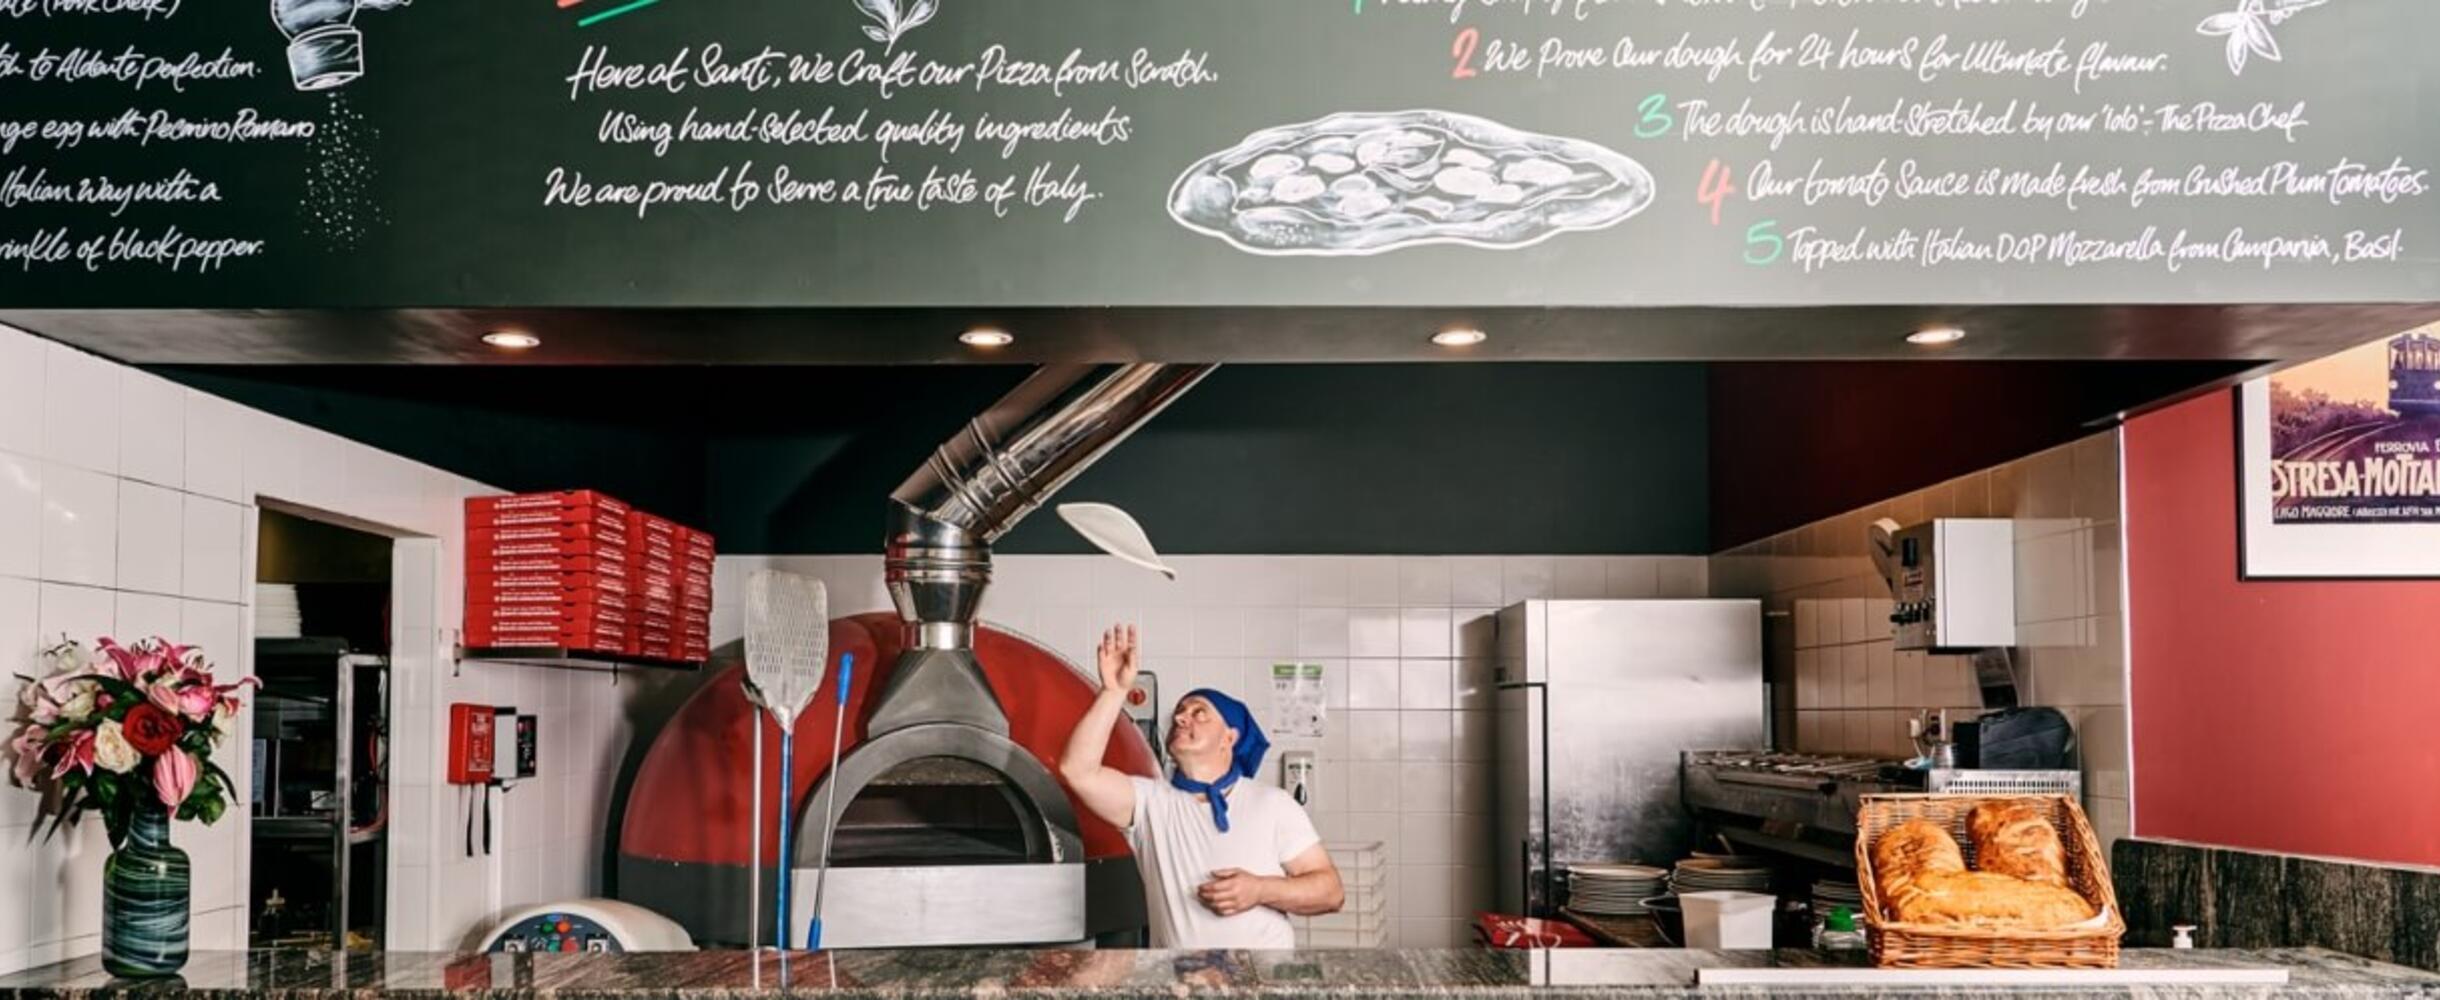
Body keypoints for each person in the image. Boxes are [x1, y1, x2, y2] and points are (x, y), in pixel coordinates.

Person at [1059, 624, 1344, 948]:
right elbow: (1077, 771)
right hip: (1179, 985)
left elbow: (1330, 892)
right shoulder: (1150, 802)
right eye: (1180, 713)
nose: (1181, 718)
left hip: (1260, 985)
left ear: (1230, 737)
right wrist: (1113, 692)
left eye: (1199, 713)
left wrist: (1261, 890)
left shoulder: (1271, 804)